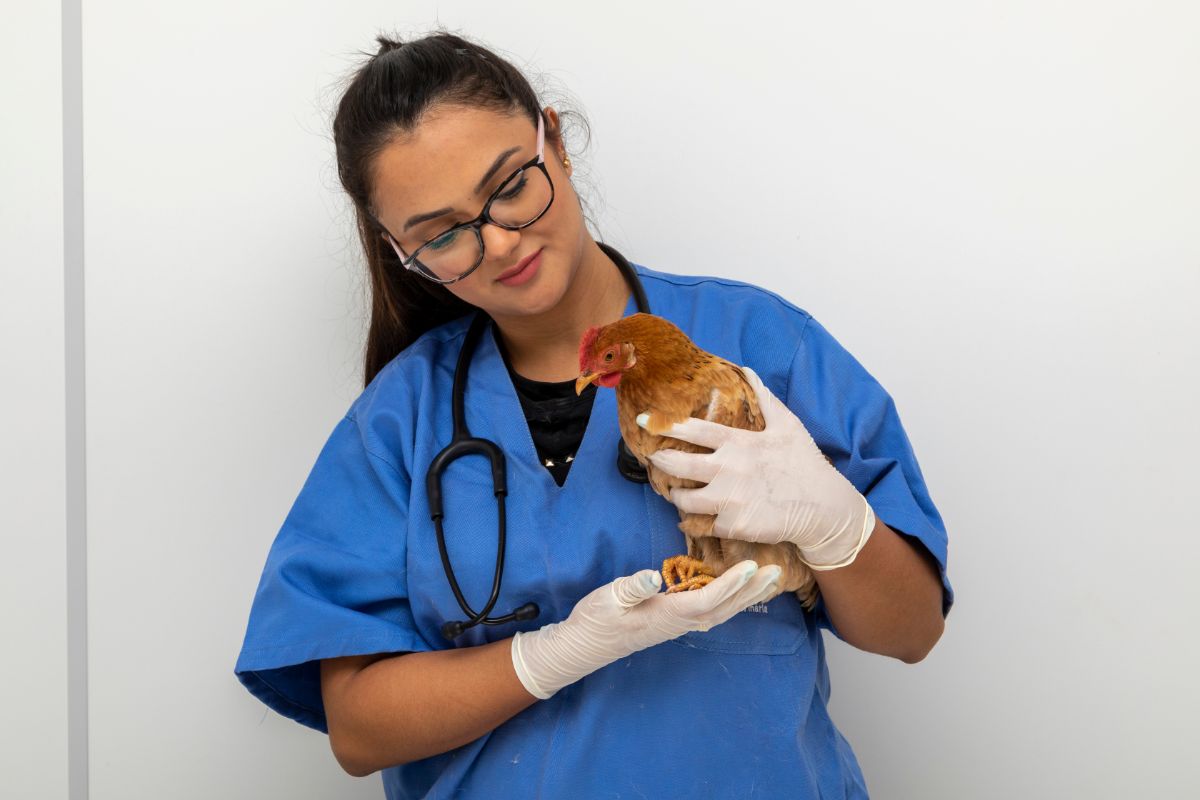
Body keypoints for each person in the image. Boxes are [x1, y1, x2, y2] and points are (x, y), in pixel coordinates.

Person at [235, 31, 953, 799]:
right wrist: (550, 657)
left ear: (556, 142)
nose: (501, 241)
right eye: (444, 234)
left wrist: (836, 528)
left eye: (511, 185)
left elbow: (910, 632)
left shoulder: (764, 349)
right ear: (401, 250)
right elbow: (358, 730)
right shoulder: (398, 423)